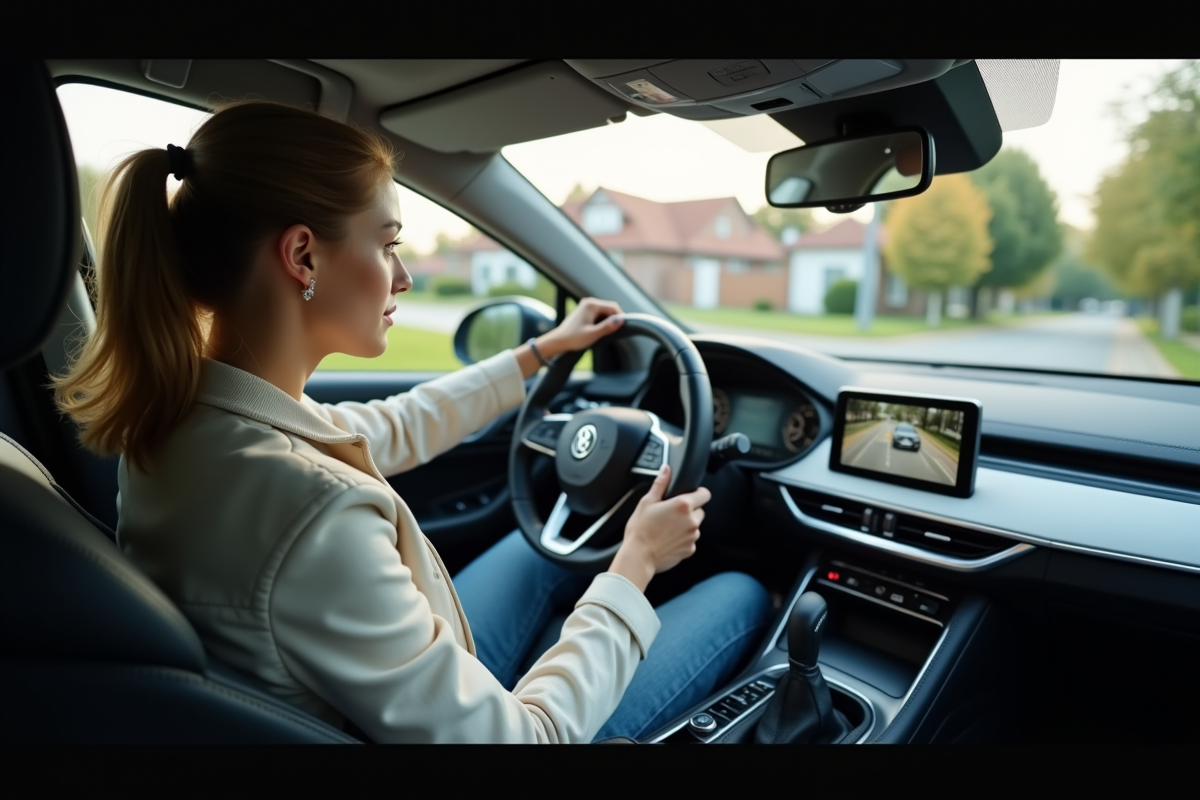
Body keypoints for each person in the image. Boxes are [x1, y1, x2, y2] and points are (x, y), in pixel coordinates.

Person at [53, 101, 773, 743]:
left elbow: (390, 424)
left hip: (370, 690)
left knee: (538, 553)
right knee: (738, 594)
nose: (402, 278)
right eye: (388, 244)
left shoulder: (191, 420)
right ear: (303, 254)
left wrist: (536, 355)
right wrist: (636, 563)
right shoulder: (311, 513)